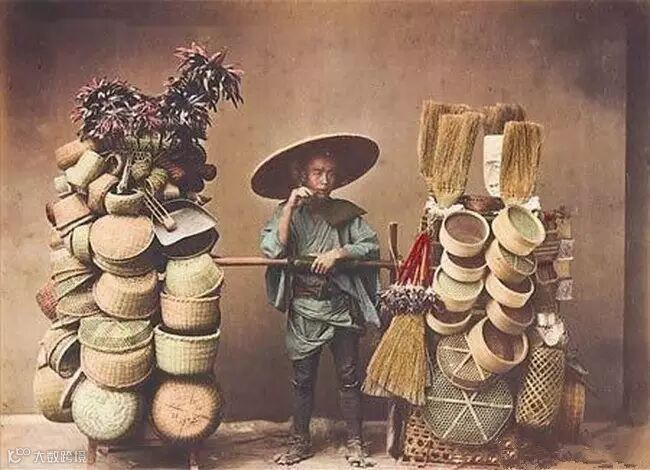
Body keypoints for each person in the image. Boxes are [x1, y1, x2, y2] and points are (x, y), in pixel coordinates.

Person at [251, 134, 381, 467]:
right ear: (302, 176)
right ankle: (299, 443)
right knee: (303, 380)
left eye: (330, 173)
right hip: (304, 310)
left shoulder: (345, 213)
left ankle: (355, 443)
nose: (324, 180)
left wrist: (339, 252)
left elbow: (370, 245)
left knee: (349, 378)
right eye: (317, 172)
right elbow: (274, 249)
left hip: (340, 307)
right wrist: (290, 208)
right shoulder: (287, 212)